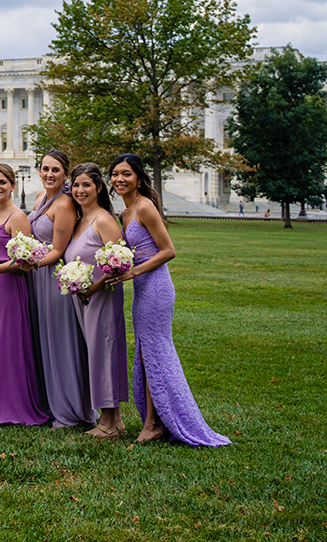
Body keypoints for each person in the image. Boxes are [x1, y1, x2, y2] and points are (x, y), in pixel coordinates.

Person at [108, 154, 230, 446]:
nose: (119, 179)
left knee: (154, 352)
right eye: (114, 174)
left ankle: (153, 424)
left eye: (126, 174)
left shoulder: (145, 207)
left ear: (138, 177)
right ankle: (156, 419)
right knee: (146, 352)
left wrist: (133, 270)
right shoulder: (124, 212)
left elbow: (168, 251)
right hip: (141, 288)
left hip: (156, 287)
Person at [25, 150, 95, 428]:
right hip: (35, 277)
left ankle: (69, 407)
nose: (49, 174)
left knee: (59, 341)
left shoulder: (65, 203)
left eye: (55, 170)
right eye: (45, 169)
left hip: (51, 278)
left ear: (66, 174)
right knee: (42, 340)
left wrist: (29, 262)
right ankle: (46, 400)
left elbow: (58, 250)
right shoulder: (40, 197)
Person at [0, 163, 48, 425]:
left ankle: (12, 405)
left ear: (12, 186)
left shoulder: (16, 216)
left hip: (7, 286)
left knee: (6, 343)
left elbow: (24, 260)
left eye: (2, 182)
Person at [66, 162, 129, 439]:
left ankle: (107, 423)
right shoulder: (80, 220)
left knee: (104, 351)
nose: (80, 190)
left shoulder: (103, 219)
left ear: (98, 188)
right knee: (96, 352)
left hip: (102, 296)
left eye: (86, 185)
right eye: (76, 185)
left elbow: (120, 262)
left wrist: (93, 288)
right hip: (85, 298)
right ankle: (115, 419)